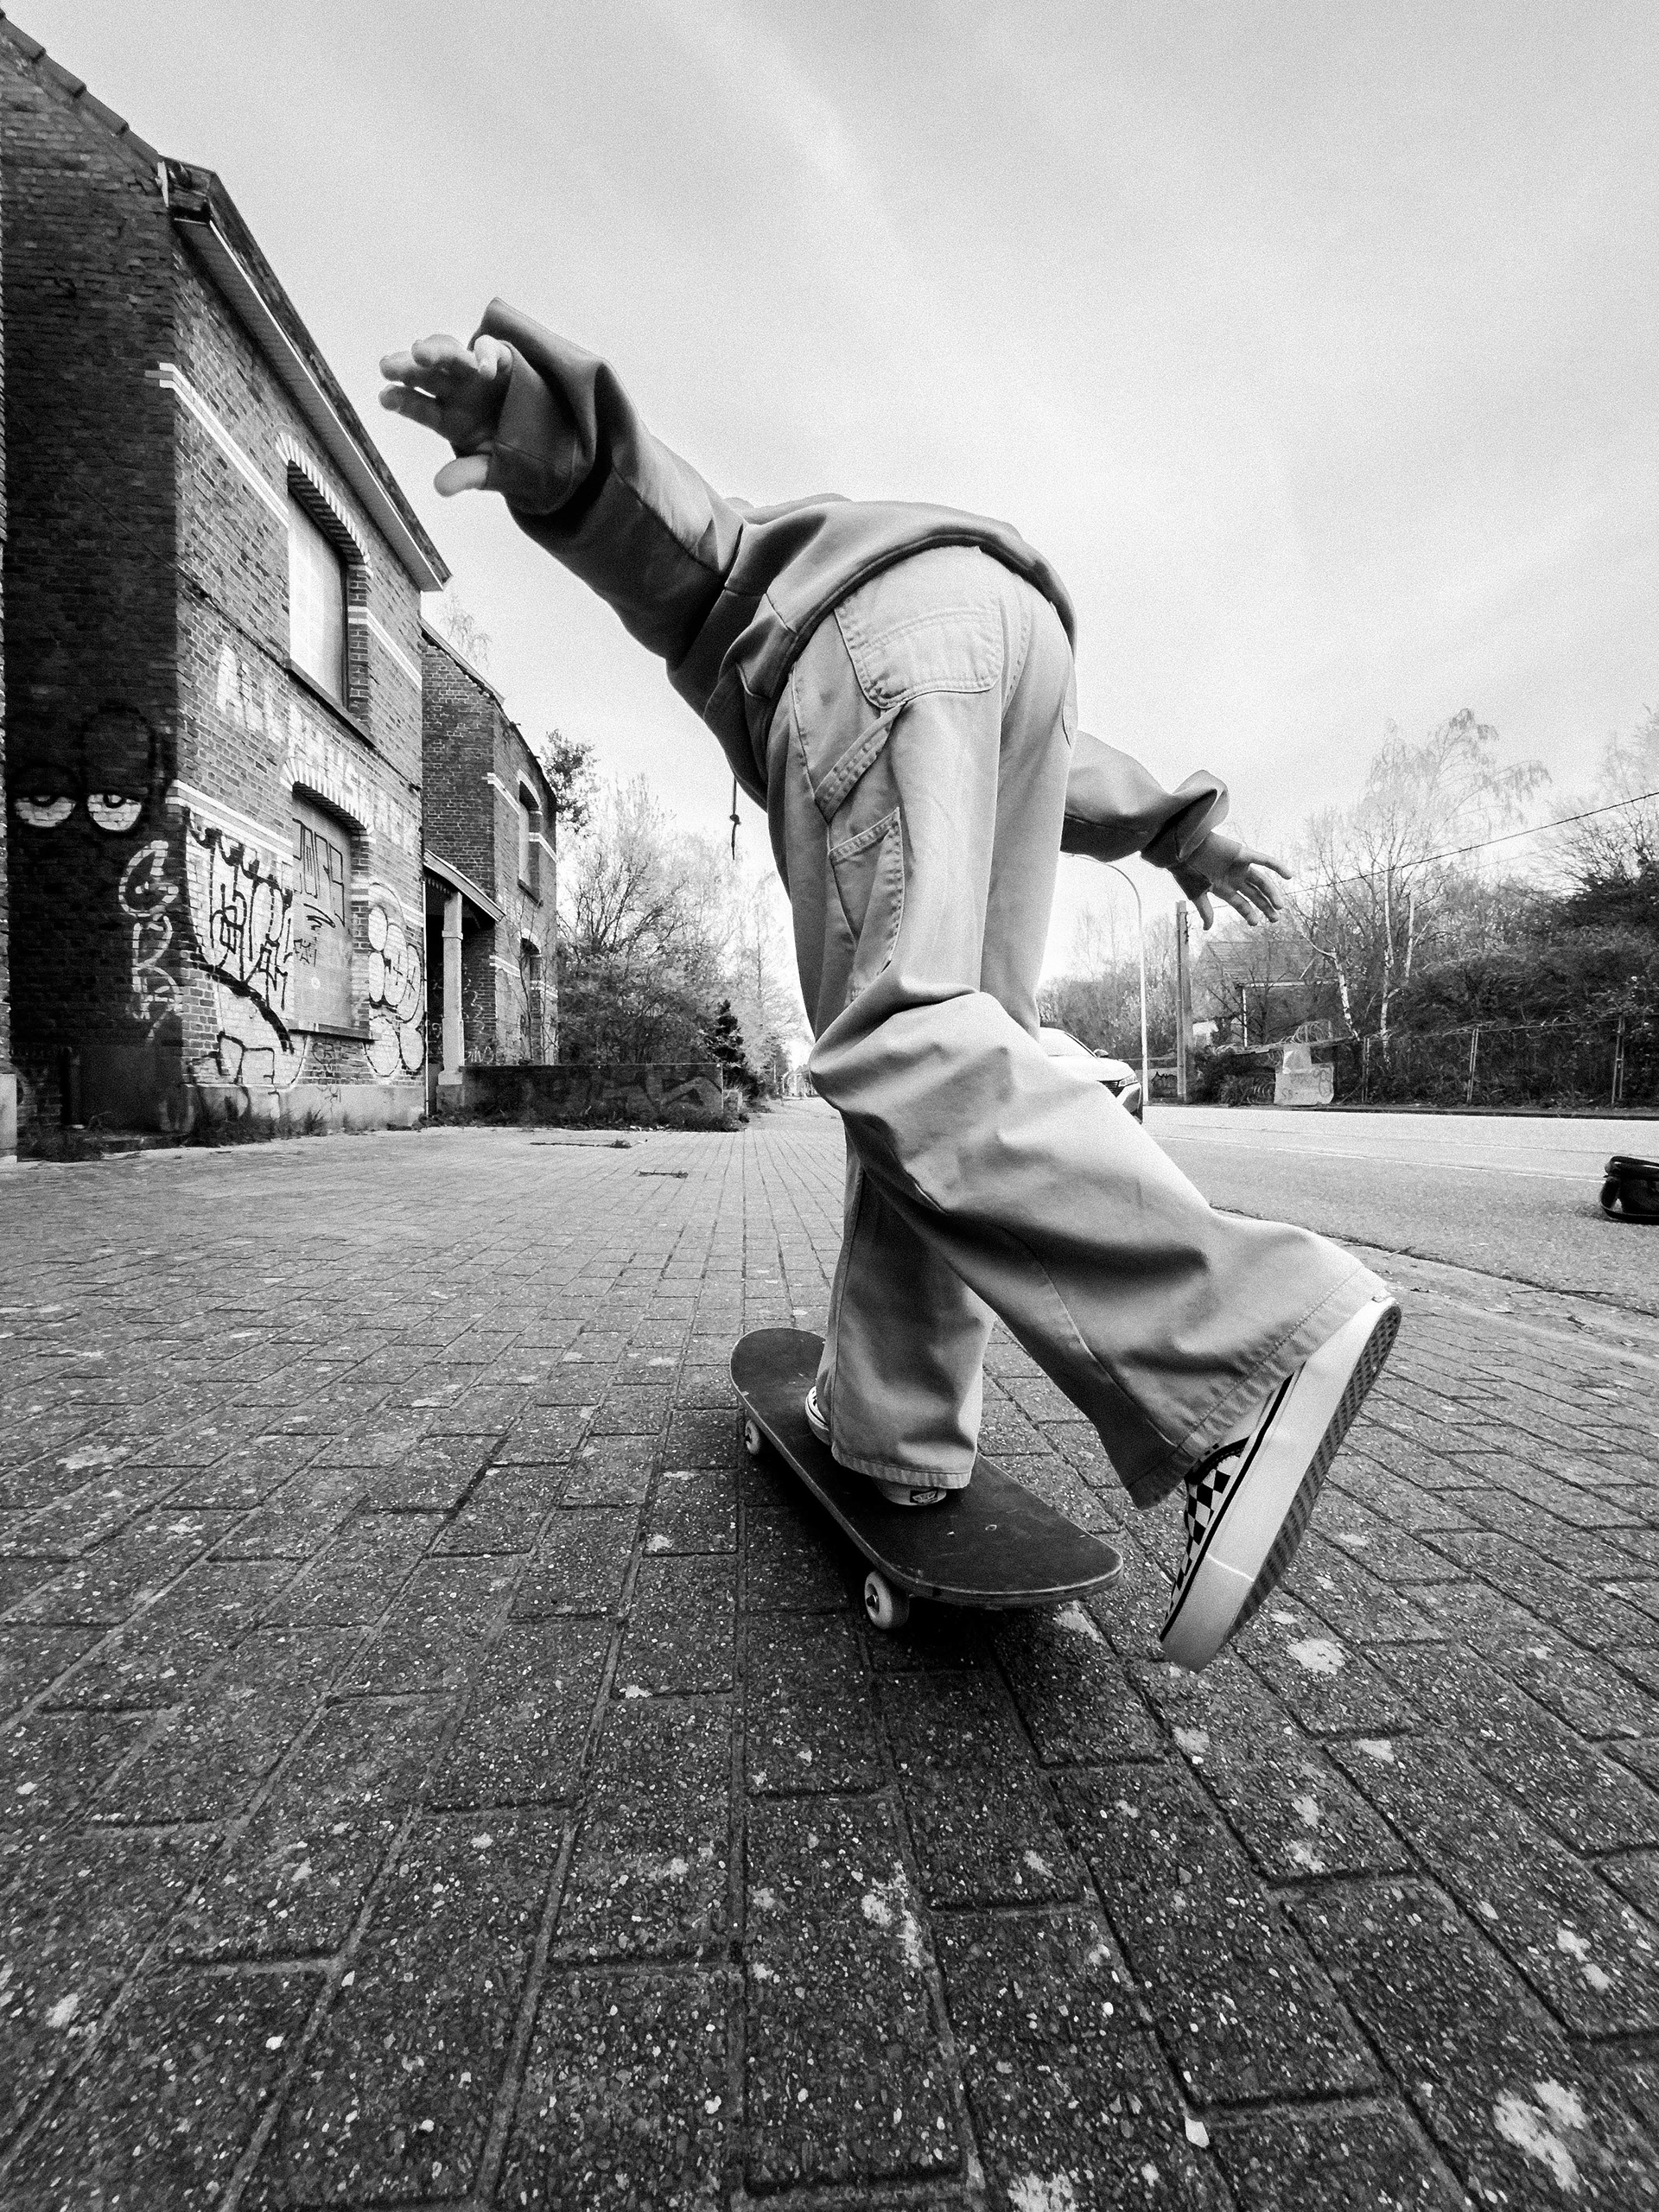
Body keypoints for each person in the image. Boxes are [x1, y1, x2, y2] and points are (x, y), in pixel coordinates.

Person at [379, 309, 1398, 1670]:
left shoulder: (785, 582)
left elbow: (682, 535)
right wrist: (1174, 826)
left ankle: (1250, 1340)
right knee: (953, 1066)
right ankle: (895, 1433)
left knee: (901, 1043)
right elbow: (1034, 735)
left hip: (870, 658)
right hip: (1027, 652)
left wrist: (546, 440)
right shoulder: (935, 586)